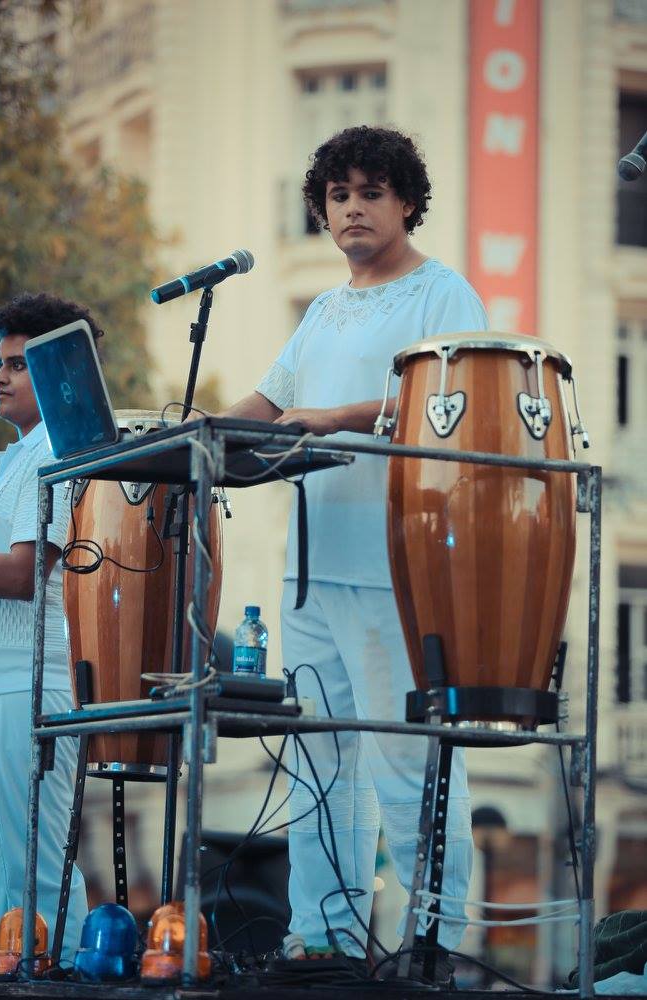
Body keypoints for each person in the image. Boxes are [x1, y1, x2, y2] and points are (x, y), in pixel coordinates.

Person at [220, 125, 488, 981]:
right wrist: (185, 429)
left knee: (405, 758)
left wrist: (334, 418)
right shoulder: (322, 311)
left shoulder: (441, 294)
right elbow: (267, 404)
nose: (353, 209)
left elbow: (453, 401)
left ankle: (433, 945)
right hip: (310, 568)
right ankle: (322, 942)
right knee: (320, 762)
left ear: (407, 202)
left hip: (395, 565)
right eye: (338, 196)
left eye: (371, 193)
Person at [0, 292, 95, 972]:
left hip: (30, 683)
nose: (0, 376)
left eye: (18, 364)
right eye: (0, 363)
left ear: (62, 369)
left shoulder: (56, 448)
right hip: (1, 682)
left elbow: (26, 573)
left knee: (31, 866)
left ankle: (56, 977)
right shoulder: (23, 456)